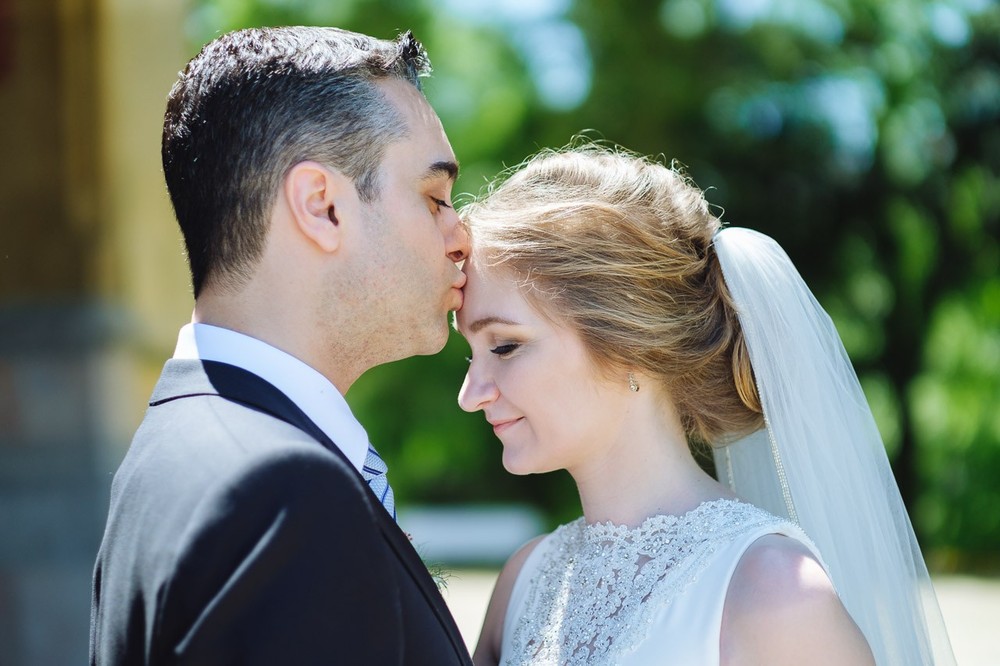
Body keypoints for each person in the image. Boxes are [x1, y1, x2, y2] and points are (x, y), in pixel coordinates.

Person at [455, 144, 955, 665]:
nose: (471, 394)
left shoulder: (776, 594)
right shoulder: (524, 582)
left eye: (504, 347)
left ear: (629, 340)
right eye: (470, 355)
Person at [89, 26, 473, 665]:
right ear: (322, 207)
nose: (463, 238)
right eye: (435, 199)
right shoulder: (285, 494)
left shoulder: (173, 445)